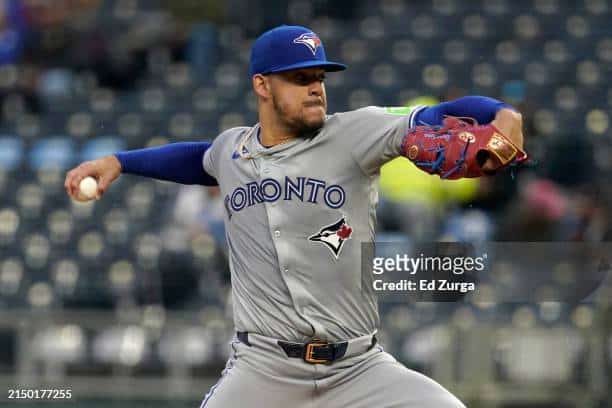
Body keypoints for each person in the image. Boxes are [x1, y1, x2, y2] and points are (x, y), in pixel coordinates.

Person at [65, 25, 525, 408]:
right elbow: (195, 158)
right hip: (263, 369)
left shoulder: (356, 132)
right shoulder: (232, 149)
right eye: (299, 77)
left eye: (319, 77)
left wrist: (501, 113)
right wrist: (121, 162)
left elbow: (443, 112)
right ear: (262, 85)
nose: (315, 88)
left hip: (359, 368)